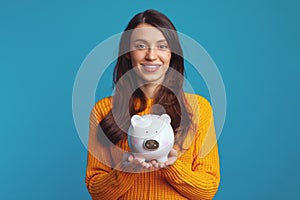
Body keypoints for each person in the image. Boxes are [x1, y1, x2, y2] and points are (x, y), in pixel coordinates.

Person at [86, 9, 220, 200]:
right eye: (141, 46)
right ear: (127, 54)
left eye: (162, 46)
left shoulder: (199, 108)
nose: (151, 55)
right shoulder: (103, 110)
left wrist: (170, 166)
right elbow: (97, 192)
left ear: (172, 54)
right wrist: (126, 169)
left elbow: (207, 190)